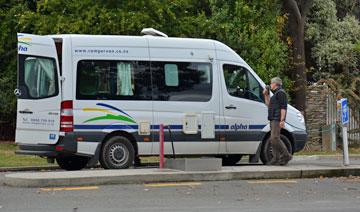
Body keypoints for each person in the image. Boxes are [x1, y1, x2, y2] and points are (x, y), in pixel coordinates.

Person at [263, 77, 292, 165]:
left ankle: (286, 155)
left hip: (277, 119)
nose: (270, 85)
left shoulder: (281, 93)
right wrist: (266, 95)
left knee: (274, 138)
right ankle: (276, 158)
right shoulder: (275, 94)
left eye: (271, 83)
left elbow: (284, 107)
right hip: (273, 118)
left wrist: (282, 120)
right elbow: (268, 104)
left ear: (275, 84)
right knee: (273, 139)